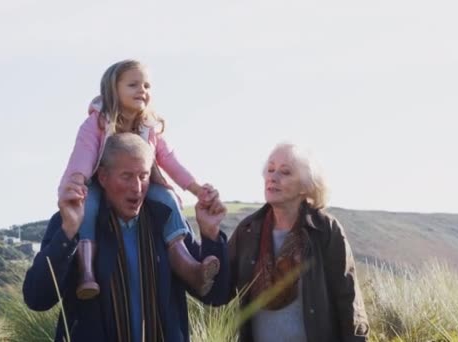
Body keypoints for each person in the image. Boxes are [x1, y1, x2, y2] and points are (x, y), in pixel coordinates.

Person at [23, 133, 230, 342]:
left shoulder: (167, 222)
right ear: (103, 177)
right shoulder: (74, 222)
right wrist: (67, 233)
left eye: (143, 176)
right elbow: (37, 298)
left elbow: (216, 296)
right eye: (127, 176)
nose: (137, 188)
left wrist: (211, 235)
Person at [58, 59, 220, 299]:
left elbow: (169, 159)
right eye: (133, 85)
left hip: (142, 185)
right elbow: (84, 153)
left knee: (167, 200)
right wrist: (79, 181)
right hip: (96, 183)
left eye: (146, 86)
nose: (142, 91)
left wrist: (196, 189)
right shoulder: (98, 122)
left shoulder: (149, 126)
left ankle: (188, 266)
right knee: (88, 209)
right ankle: (87, 271)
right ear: (114, 88)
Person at [226, 143, 369, 342]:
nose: (273, 177)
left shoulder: (325, 230)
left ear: (306, 186)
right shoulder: (248, 231)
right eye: (270, 169)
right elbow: (220, 291)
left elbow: (349, 301)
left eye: (285, 172)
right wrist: (211, 235)